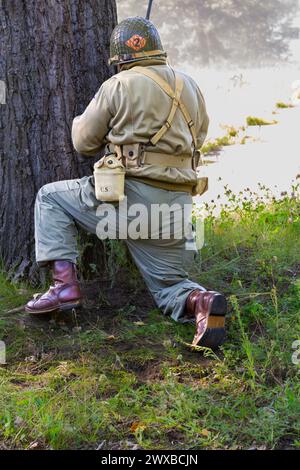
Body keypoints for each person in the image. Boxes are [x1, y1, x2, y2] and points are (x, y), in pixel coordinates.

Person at [25, 17, 227, 349]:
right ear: (159, 50)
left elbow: (83, 141)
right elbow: (200, 135)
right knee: (170, 287)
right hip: (176, 207)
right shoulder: (190, 85)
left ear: (120, 57)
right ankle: (202, 303)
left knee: (50, 197)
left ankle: (64, 288)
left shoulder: (117, 85)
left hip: (126, 201)